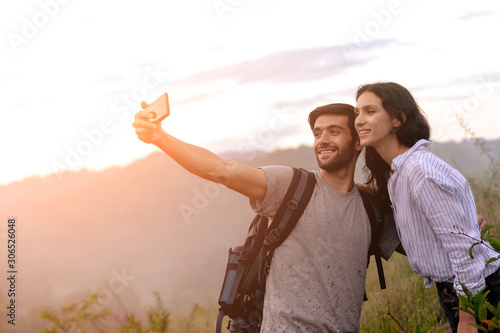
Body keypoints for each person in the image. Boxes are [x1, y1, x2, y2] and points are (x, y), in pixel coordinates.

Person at [133, 101, 401, 332]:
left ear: (357, 141)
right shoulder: (291, 186)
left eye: (334, 131)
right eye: (317, 133)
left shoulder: (370, 208)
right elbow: (222, 169)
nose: (322, 140)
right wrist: (160, 137)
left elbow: (424, 249)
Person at [353, 81, 500, 333]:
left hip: (479, 293)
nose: (359, 120)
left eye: (370, 111)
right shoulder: (399, 171)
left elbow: (463, 250)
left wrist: (468, 317)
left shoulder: (419, 170)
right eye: (357, 113)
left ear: (398, 119)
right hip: (456, 290)